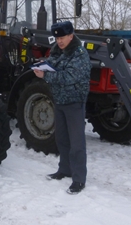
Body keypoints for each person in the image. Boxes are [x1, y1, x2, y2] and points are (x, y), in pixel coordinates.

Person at [33, 21, 91, 195]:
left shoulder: (79, 54)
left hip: (74, 102)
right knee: (62, 139)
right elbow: (53, 64)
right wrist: (42, 64)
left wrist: (46, 75)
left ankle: (79, 179)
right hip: (59, 101)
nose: (59, 41)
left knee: (77, 143)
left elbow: (69, 76)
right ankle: (64, 169)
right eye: (57, 37)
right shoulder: (58, 51)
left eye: (63, 37)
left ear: (71, 36)